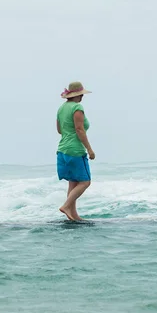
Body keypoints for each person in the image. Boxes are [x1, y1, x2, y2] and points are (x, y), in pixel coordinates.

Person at [56, 81, 95, 221]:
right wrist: (89, 149)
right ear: (78, 95)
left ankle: (73, 215)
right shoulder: (77, 107)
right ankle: (66, 206)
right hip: (75, 150)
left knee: (73, 182)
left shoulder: (61, 108)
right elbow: (80, 129)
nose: (82, 97)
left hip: (62, 150)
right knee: (85, 182)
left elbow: (59, 130)